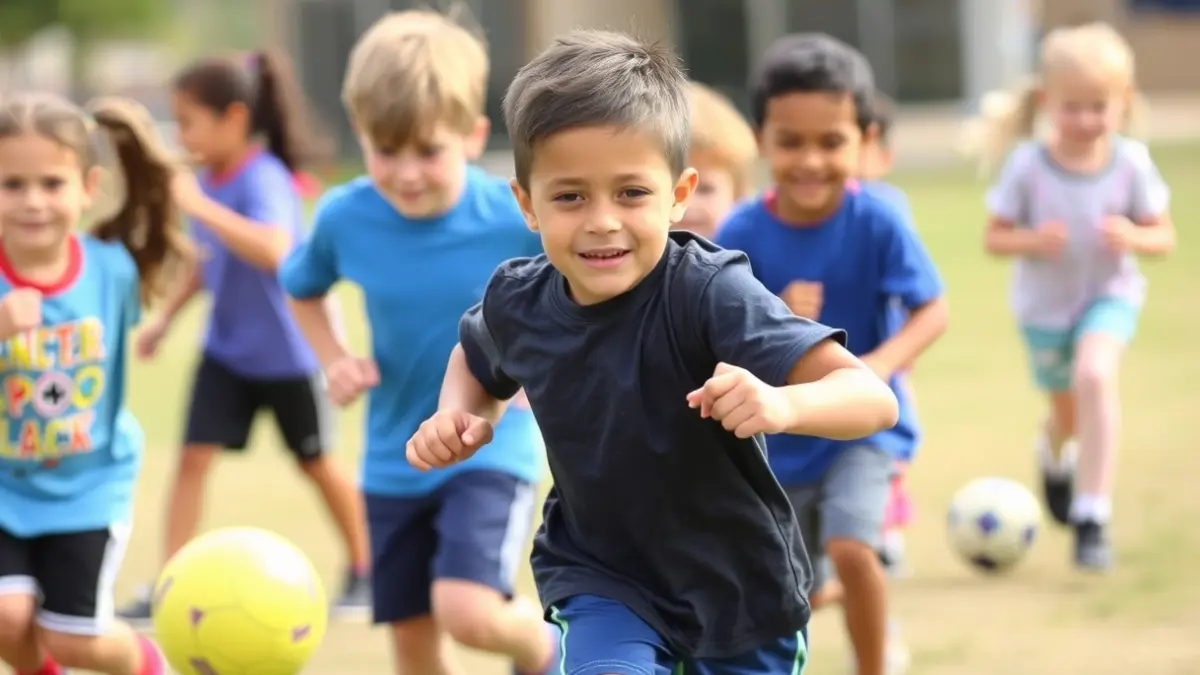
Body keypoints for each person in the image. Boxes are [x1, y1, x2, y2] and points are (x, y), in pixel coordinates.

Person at [406, 29, 902, 675]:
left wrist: (779, 402)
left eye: (632, 193)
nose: (602, 220)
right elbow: (475, 358)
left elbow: (872, 398)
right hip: (602, 575)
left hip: (738, 591)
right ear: (527, 203)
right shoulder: (518, 301)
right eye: (570, 195)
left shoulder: (710, 292)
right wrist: (459, 414)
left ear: (679, 192)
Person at [278, 10, 554, 675]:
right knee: (412, 641)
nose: (404, 174)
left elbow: (568, 294)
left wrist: (535, 376)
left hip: (492, 446)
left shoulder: (515, 215)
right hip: (390, 456)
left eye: (427, 151)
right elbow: (302, 285)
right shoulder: (347, 214)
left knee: (470, 611)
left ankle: (547, 649)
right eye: (383, 151)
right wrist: (335, 359)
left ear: (472, 135)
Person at [715, 34, 948, 675]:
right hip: (784, 435)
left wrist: (881, 364)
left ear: (864, 139)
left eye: (832, 141)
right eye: (791, 142)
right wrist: (781, 318)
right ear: (762, 139)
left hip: (867, 428)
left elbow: (934, 310)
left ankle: (873, 662)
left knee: (851, 545)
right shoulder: (739, 234)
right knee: (801, 587)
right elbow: (722, 337)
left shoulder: (880, 220)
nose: (811, 160)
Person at [116, 49, 371, 623]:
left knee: (317, 463)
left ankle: (367, 570)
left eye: (188, 121)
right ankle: (170, 585)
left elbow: (272, 249)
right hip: (226, 353)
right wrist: (164, 320)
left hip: (287, 356)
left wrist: (200, 206)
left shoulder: (263, 178)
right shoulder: (211, 181)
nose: (181, 135)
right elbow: (210, 263)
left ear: (233, 118)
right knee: (191, 461)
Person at [971, 22, 1174, 570]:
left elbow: (1164, 236)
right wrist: (1032, 240)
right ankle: (1053, 453)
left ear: (1123, 102)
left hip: (1109, 296)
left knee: (1095, 376)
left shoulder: (1131, 163)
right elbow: (993, 237)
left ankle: (1092, 516)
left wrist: (1133, 236)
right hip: (1044, 312)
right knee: (1067, 414)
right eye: (1072, 107)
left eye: (1098, 106)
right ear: (1046, 101)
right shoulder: (1028, 166)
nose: (1086, 120)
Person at [0, 92, 189, 675]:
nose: (33, 201)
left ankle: (147, 664)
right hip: (5, 486)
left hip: (90, 485)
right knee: (5, 618)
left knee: (73, 641)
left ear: (87, 186)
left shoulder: (112, 270)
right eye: (12, 185)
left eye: (51, 184)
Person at [857, 90, 919, 578]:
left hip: (883, 351)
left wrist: (899, 351)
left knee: (890, 438)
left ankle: (888, 532)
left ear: (883, 155)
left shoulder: (888, 208)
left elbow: (911, 289)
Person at [674, 81, 757, 239]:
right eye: (675, 190)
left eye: (705, 189)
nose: (688, 204)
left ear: (738, 196)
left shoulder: (750, 257)